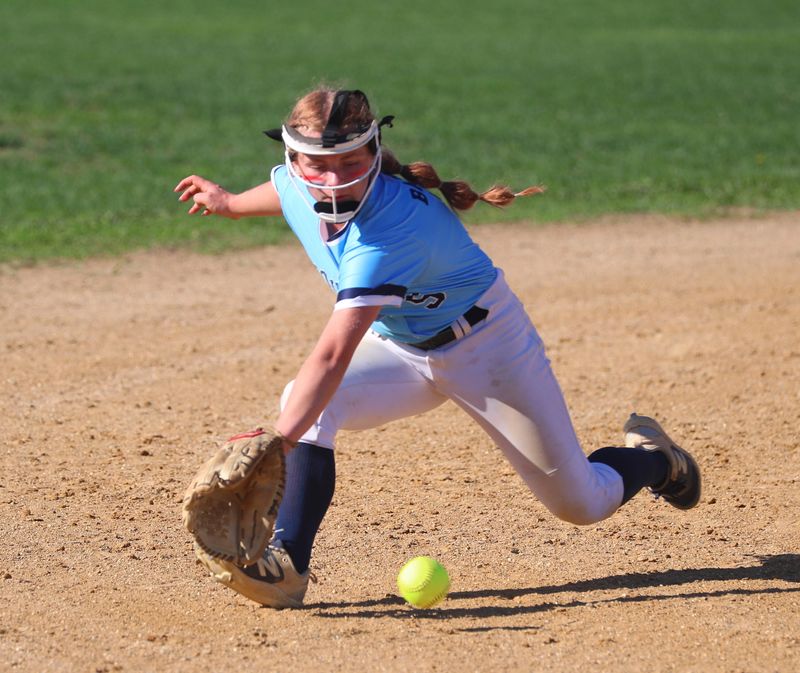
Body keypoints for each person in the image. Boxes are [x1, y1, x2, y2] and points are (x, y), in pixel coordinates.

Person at [174, 87, 701, 609]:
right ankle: (287, 563)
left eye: (348, 160)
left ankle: (656, 460)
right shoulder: (298, 182)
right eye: (316, 164)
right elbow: (285, 194)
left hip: (489, 351)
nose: (332, 178)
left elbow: (333, 355)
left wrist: (280, 442)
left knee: (583, 502)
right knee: (305, 399)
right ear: (292, 157)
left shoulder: (392, 231)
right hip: (401, 349)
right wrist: (230, 205)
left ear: (374, 150)